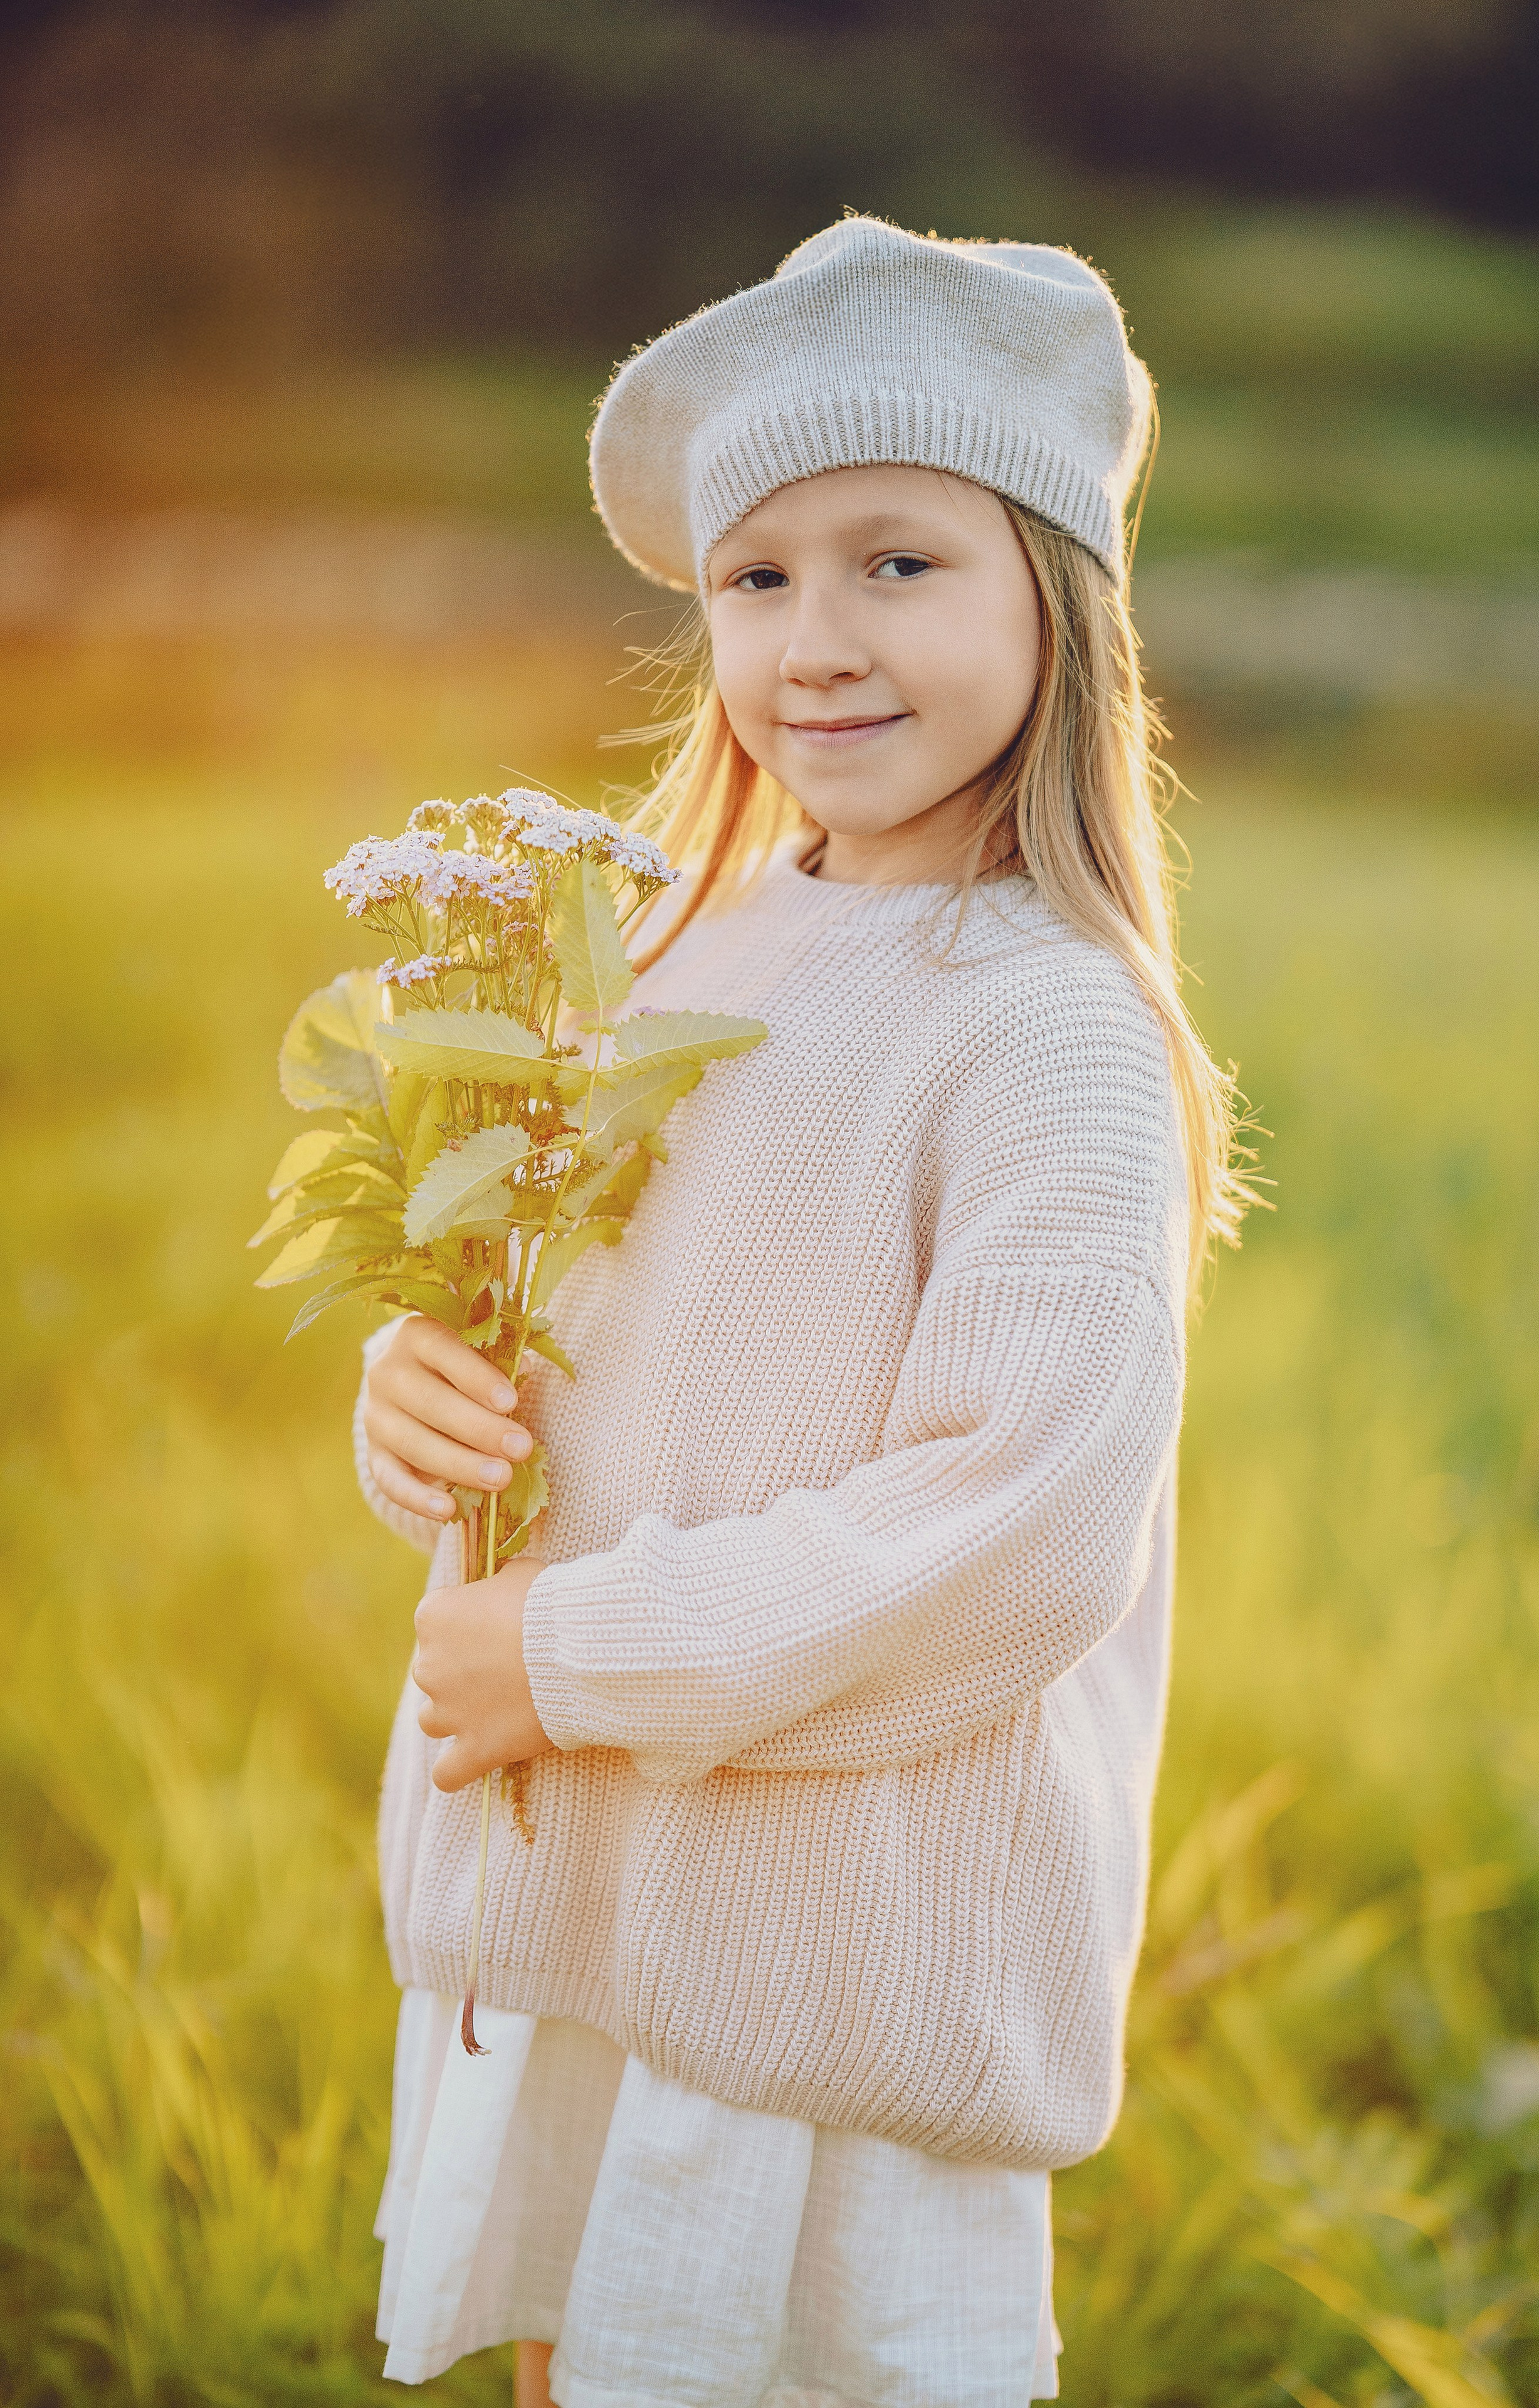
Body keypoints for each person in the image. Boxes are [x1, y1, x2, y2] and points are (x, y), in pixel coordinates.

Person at [355, 216, 1247, 2407]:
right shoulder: (661, 950)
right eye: (756, 576)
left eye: (899, 563)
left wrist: (564, 1656)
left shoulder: (1044, 1029)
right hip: (599, 1908)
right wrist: (423, 1402)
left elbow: (1007, 1527)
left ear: (1061, 593)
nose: (814, 640)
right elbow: (585, 1352)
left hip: (828, 1958)